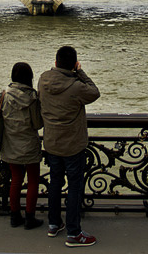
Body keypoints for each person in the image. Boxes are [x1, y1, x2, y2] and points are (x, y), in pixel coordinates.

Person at [37, 45, 100, 248]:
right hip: (73, 144)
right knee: (74, 187)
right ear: (74, 64)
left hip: (51, 142)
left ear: (55, 62)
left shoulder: (43, 79)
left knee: (55, 183)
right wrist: (80, 72)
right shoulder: (76, 86)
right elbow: (95, 92)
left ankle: (54, 223)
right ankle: (74, 232)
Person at [0, 62, 44, 230]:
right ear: (29, 78)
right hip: (29, 143)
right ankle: (30, 218)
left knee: (16, 179)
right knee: (33, 180)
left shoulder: (4, 95)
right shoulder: (32, 98)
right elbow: (38, 124)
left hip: (10, 143)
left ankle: (14, 215)